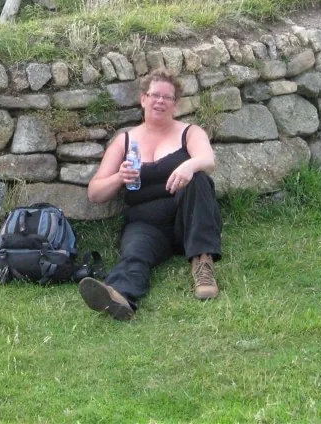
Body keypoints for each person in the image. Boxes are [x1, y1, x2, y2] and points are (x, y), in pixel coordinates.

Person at [78, 68, 222, 321]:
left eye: (167, 97)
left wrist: (190, 164)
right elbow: (95, 193)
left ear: (175, 103)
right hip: (146, 224)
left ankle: (202, 263)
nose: (160, 101)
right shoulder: (124, 141)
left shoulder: (189, 132)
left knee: (199, 179)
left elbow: (207, 160)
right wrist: (119, 178)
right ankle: (118, 297)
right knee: (135, 254)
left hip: (187, 221)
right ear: (143, 98)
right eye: (155, 95)